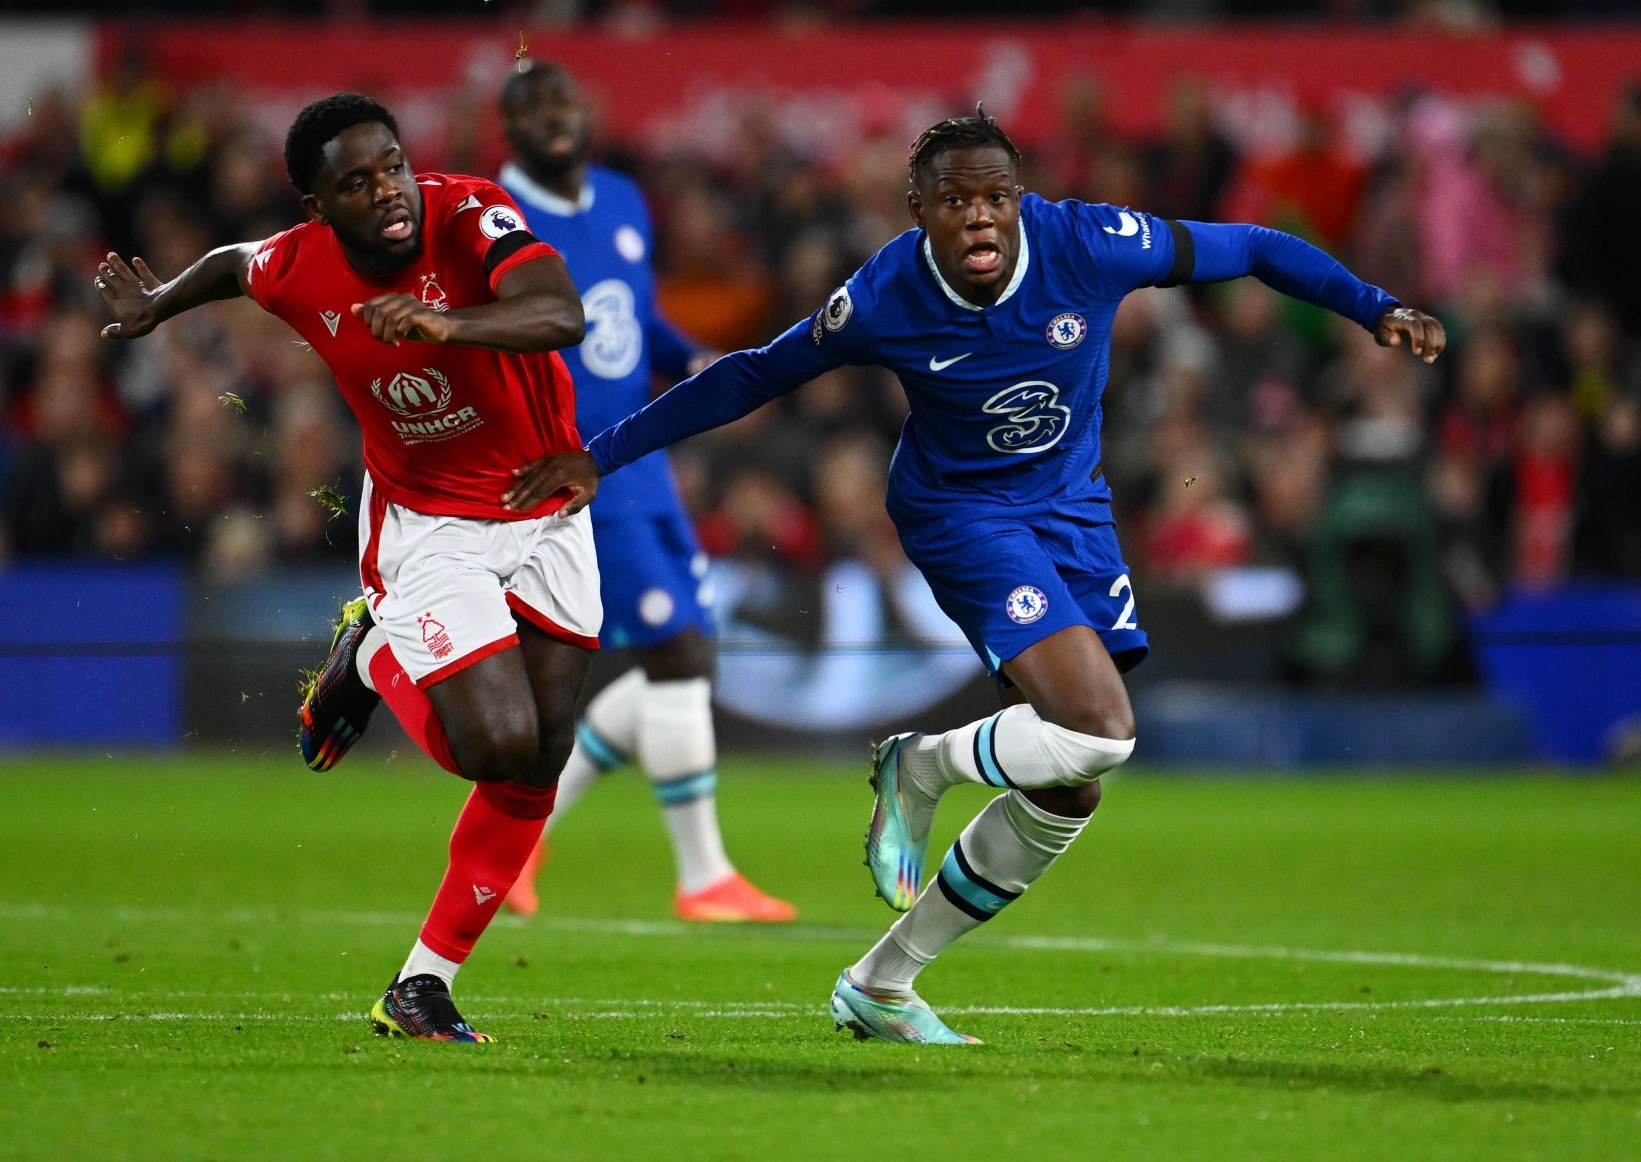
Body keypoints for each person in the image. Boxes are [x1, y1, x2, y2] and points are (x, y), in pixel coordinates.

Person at [506, 107, 1445, 1044]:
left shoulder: (1090, 243)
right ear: (918, 211)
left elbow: (1252, 246)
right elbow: (751, 375)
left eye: (997, 196)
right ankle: (919, 763)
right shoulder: (885, 296)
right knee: (1102, 729)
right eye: (956, 201)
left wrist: (1374, 306)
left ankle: (882, 983)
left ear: (1021, 200)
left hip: (1071, 507)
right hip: (959, 511)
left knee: (1071, 783)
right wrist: (604, 453)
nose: (981, 217)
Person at [95, 93, 601, 1043]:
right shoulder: (300, 263)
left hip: (547, 508)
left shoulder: (469, 212)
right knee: (491, 744)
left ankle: (420, 987)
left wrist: (449, 327)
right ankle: (373, 654)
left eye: (393, 166)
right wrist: (158, 306)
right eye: (357, 183)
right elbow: (239, 265)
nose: (389, 192)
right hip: (429, 524)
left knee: (542, 757)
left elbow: (561, 312)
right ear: (319, 206)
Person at [495, 61, 793, 923]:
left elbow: (637, 318)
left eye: (564, 101)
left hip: (644, 458)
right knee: (679, 656)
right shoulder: (492, 216)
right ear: (507, 127)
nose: (554, 117)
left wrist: (697, 362)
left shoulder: (623, 198)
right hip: (574, 471)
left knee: (684, 656)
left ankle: (523, 837)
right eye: (532, 106)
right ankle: (702, 877)